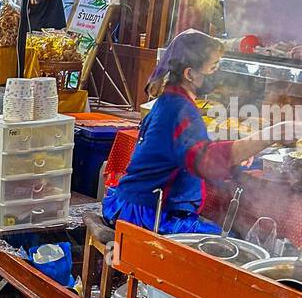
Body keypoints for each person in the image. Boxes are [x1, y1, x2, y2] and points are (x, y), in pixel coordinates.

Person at [102, 29, 298, 235]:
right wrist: (273, 134)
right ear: (190, 74)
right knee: (232, 244)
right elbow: (208, 161)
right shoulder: (179, 109)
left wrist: (239, 153)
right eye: (213, 67)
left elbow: (189, 151)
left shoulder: (171, 100)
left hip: (133, 203)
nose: (217, 74)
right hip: (149, 214)